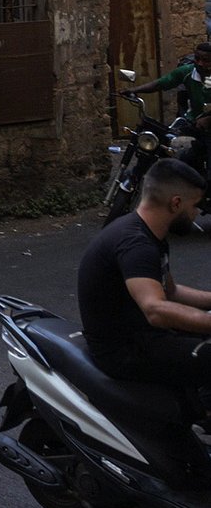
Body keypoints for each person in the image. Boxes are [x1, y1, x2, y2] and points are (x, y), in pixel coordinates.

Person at [78, 157, 211, 413]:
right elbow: (156, 309)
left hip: (143, 337)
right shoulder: (136, 244)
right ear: (176, 203)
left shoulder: (148, 232)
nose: (197, 215)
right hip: (123, 351)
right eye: (195, 206)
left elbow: (170, 291)